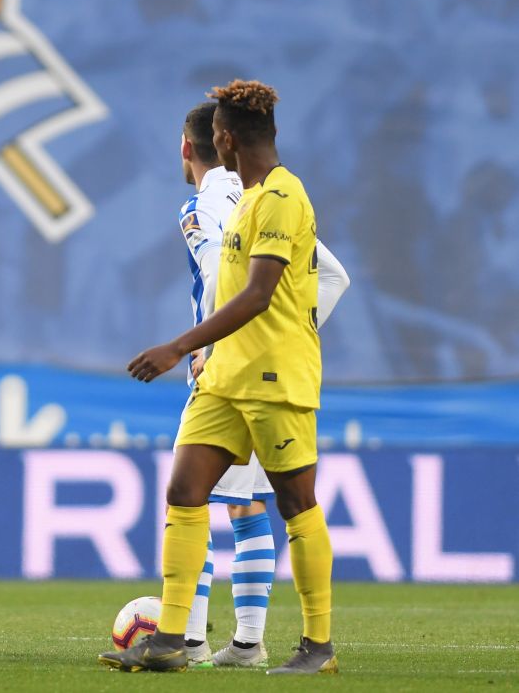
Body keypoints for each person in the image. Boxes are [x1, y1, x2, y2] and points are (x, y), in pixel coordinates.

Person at [101, 79, 338, 675]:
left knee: (294, 502)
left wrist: (180, 346)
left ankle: (317, 646)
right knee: (184, 492)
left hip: (273, 379)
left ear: (224, 140)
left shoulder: (284, 197)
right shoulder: (252, 198)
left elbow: (259, 294)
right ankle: (171, 640)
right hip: (224, 379)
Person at [174, 102, 350, 668]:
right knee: (223, 500)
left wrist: (201, 346)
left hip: (251, 370)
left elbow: (245, 290)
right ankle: (225, 641)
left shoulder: (226, 204)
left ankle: (200, 639)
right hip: (230, 372)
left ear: (193, 147)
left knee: (267, 503)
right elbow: (330, 275)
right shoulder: (249, 194)